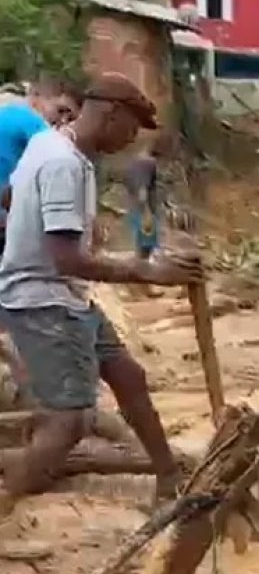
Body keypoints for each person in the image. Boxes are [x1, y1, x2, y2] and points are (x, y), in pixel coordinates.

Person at [0, 73, 203, 517]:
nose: (131, 140)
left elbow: (10, 195)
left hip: (64, 295)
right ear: (110, 113)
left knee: (129, 377)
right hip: (44, 301)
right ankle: (6, 498)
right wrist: (145, 270)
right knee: (69, 421)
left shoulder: (54, 146)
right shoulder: (63, 163)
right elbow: (66, 260)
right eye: (131, 129)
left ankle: (168, 478)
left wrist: (31, 229)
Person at [0, 78, 84, 243]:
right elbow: (61, 154)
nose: (64, 121)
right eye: (61, 110)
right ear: (36, 99)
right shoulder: (31, 121)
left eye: (70, 117)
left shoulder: (7, 113)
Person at [124, 134, 164, 260]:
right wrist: (147, 210)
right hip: (145, 208)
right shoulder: (148, 162)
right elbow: (143, 187)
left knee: (141, 243)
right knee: (146, 245)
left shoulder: (133, 161)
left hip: (134, 206)